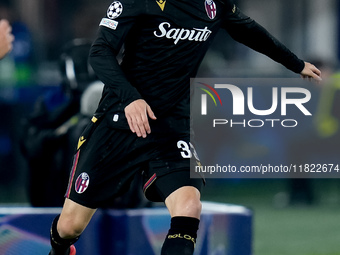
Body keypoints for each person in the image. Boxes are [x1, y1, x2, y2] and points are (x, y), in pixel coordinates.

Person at [48, 0, 322, 254]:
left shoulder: (213, 4)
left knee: (189, 207)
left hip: (171, 128)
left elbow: (248, 30)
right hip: (119, 123)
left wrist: (296, 64)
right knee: (70, 227)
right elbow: (100, 52)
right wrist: (131, 98)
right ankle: (59, 249)